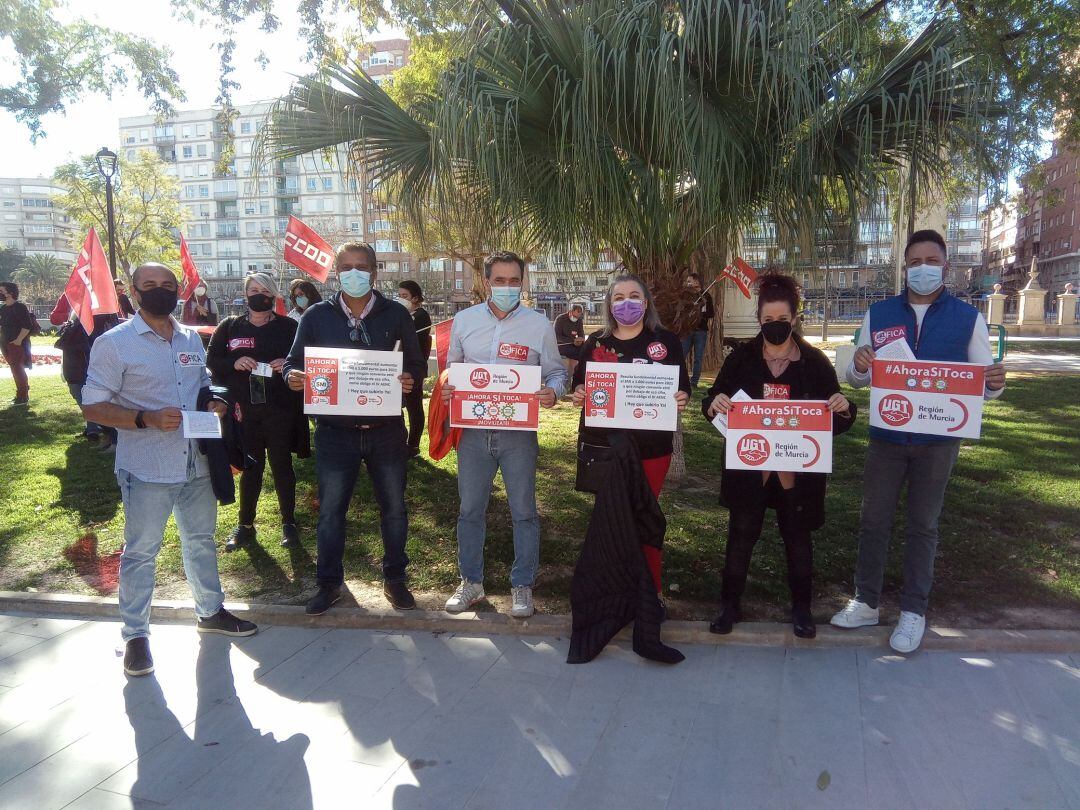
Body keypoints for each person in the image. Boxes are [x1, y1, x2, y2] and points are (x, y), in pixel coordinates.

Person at [831, 229, 1006, 653]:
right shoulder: (880, 314)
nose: (922, 268)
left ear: (945, 266)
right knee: (874, 521)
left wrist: (995, 384)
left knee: (923, 525)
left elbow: (984, 382)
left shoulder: (968, 318)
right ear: (904, 267)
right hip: (887, 436)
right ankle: (867, 601)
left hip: (938, 441)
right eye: (914, 262)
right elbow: (858, 376)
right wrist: (857, 363)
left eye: (931, 260)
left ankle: (913, 611)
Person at [81, 263, 257, 678]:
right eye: (150, 286)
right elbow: (92, 406)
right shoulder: (114, 344)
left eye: (168, 285)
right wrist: (144, 418)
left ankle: (210, 611)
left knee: (201, 541)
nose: (160, 291)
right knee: (141, 552)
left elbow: (202, 385)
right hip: (147, 467)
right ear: (134, 294)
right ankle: (135, 635)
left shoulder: (191, 337)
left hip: (195, 461)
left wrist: (213, 400)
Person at [703, 272, 855, 639]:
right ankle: (729, 605)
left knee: (798, 539)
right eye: (767, 321)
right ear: (759, 320)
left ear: (795, 318)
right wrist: (715, 403)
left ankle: (802, 609)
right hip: (750, 471)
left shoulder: (816, 362)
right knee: (740, 536)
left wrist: (843, 407)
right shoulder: (740, 358)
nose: (775, 327)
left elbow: (836, 417)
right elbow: (712, 402)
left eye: (782, 321)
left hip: (797, 474)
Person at [284, 242, 426, 615]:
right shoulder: (316, 315)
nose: (353, 272)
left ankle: (395, 579)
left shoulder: (396, 314)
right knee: (331, 512)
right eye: (345, 266)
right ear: (335, 272)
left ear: (375, 272)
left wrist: (410, 378)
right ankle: (329, 584)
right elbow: (292, 362)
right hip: (334, 433)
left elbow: (415, 363)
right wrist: (293, 376)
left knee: (394, 509)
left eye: (361, 266)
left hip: (386, 431)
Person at [440, 250, 568, 619]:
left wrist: (553, 392)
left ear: (523, 283)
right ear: (486, 282)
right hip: (474, 433)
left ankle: (522, 585)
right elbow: (453, 371)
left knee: (524, 511)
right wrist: (448, 388)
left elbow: (557, 373)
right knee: (469, 510)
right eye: (500, 280)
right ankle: (471, 582)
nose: (507, 287)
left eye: (515, 281)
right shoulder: (462, 321)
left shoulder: (538, 324)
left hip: (518, 434)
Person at [570, 275, 691, 602]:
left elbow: (684, 388)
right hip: (605, 449)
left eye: (634, 296)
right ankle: (614, 590)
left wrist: (682, 398)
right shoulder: (595, 343)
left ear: (646, 302)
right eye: (618, 297)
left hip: (652, 450)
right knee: (610, 520)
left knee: (644, 518)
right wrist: (579, 393)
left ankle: (652, 592)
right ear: (610, 304)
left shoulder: (666, 341)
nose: (626, 303)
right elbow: (579, 385)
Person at [207, 273, 309, 552]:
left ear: (273, 294)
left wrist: (287, 364)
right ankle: (245, 525)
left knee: (282, 468)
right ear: (245, 293)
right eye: (253, 289)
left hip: (280, 409)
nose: (258, 294)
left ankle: (289, 523)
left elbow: (306, 358)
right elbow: (212, 360)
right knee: (250, 468)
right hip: (244, 411)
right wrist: (234, 361)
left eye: (264, 290)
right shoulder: (229, 327)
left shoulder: (290, 327)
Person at [51, 292, 120, 449]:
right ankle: (106, 435)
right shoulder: (76, 309)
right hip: (76, 365)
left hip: (88, 366)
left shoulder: (102, 312)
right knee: (83, 398)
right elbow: (58, 322)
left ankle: (114, 438)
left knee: (95, 404)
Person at [396, 280, 432, 457]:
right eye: (399, 296)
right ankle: (398, 441)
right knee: (396, 406)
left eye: (405, 296)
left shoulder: (421, 316)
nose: (401, 299)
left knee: (414, 407)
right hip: (397, 368)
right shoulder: (402, 314)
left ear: (415, 298)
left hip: (413, 369)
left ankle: (413, 445)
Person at [0, 281, 35, 406]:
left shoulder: (20, 307)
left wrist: (18, 340)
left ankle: (23, 396)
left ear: (11, 293)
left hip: (16, 343)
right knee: (14, 368)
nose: (0, 294)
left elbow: (27, 326)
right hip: (5, 343)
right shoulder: (3, 308)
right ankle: (23, 388)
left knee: (17, 369)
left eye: (2, 291)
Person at [681, 272, 714, 388]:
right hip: (687, 331)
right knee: (681, 355)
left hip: (701, 331)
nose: (688, 283)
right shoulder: (685, 295)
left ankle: (694, 382)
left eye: (690, 281)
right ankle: (680, 380)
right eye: (687, 281)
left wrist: (700, 312)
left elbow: (711, 314)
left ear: (697, 281)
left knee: (698, 358)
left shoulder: (706, 295)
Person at [554, 303, 586, 376]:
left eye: (578, 317)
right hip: (561, 345)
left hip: (574, 344)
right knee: (575, 353)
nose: (576, 318)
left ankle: (579, 376)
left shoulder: (579, 321)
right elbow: (556, 336)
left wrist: (581, 340)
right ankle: (572, 376)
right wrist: (572, 341)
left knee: (585, 350)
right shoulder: (560, 319)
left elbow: (581, 334)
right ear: (571, 311)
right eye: (575, 316)